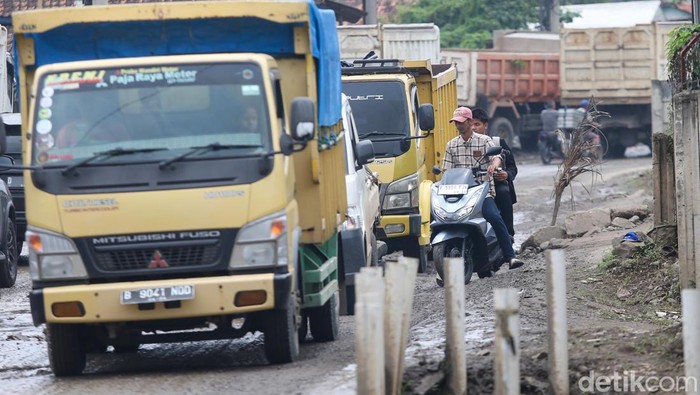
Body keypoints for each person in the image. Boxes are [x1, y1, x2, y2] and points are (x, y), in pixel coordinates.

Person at [442, 106, 524, 271]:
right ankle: (443, 264)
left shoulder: (484, 140)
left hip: (482, 193)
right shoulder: (451, 145)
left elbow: (497, 157)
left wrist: (493, 165)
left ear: (469, 122)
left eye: (460, 122)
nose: (458, 125)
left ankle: (510, 256)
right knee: (443, 220)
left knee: (495, 217)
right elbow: (446, 171)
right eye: (455, 123)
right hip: (460, 194)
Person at [471, 107, 518, 240]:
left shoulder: (497, 142)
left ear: (485, 126)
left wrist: (506, 175)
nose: (473, 128)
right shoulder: (460, 144)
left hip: (494, 186)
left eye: (477, 124)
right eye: (471, 124)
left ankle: (509, 235)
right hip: (472, 187)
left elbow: (512, 166)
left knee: (503, 191)